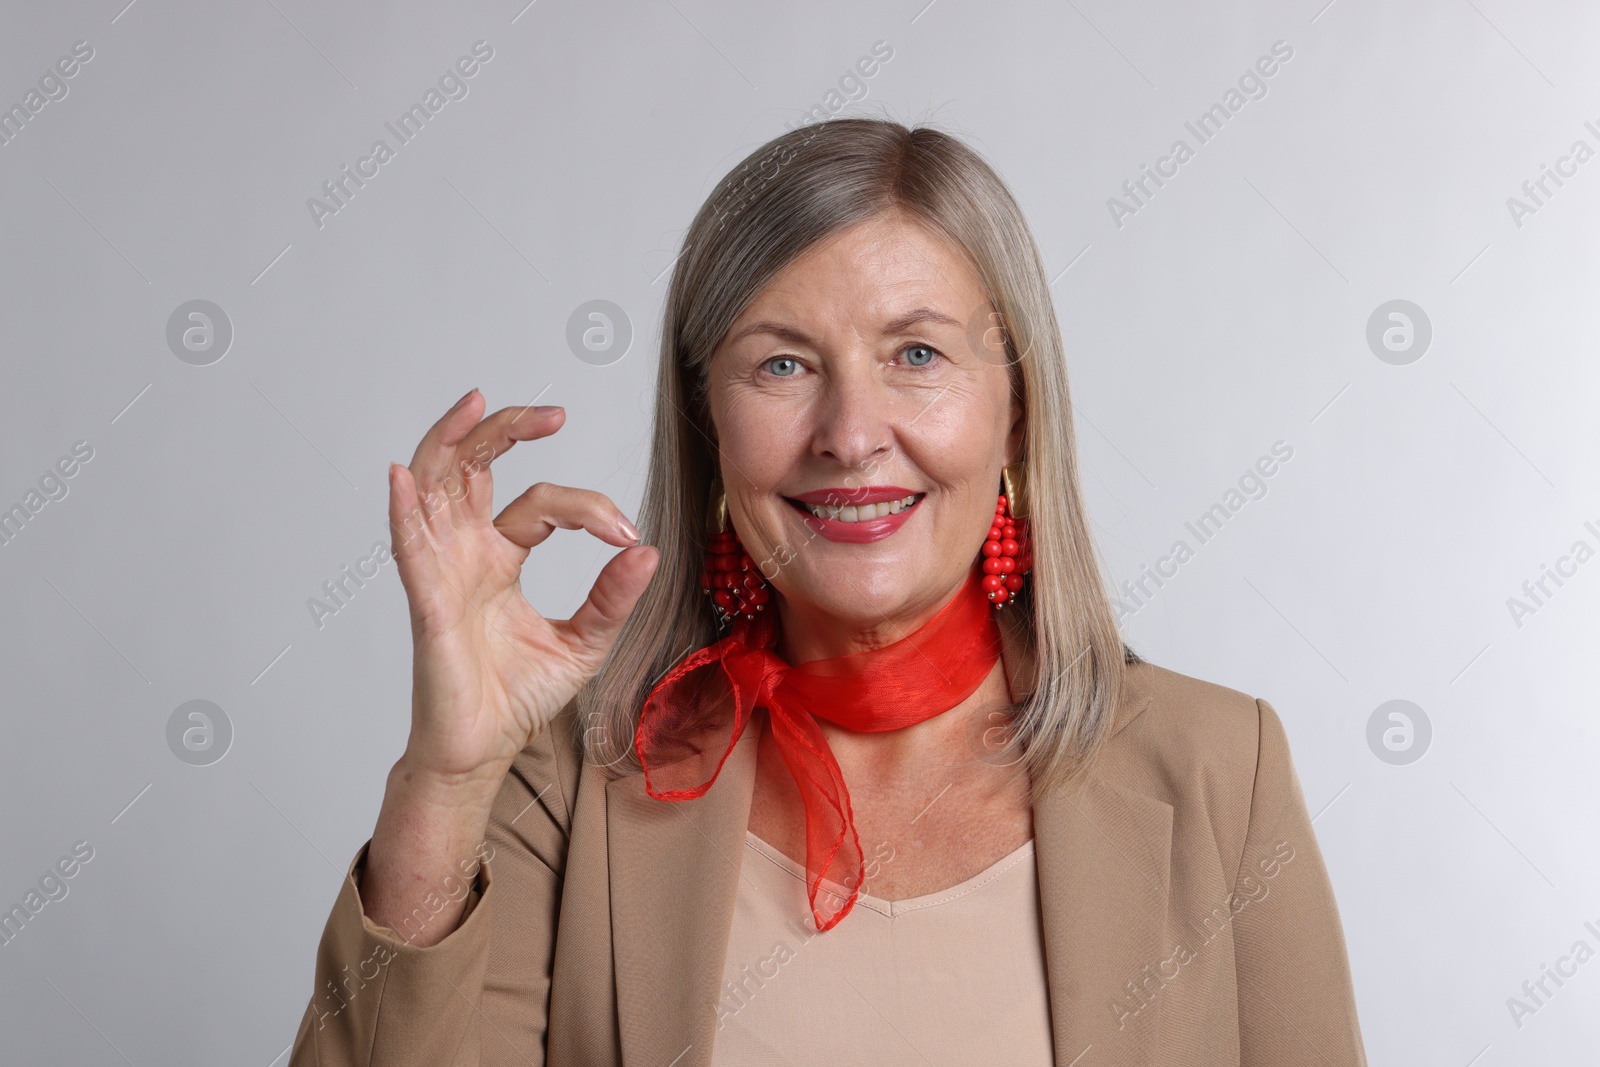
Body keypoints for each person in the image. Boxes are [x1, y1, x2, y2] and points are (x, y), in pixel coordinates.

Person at [286, 117, 1368, 1066]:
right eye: (783, 365)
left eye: (915, 353)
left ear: (1016, 413)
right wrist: (446, 776)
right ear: (708, 424)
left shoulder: (1223, 772)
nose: (851, 435)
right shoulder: (567, 782)